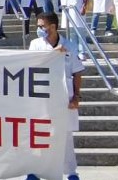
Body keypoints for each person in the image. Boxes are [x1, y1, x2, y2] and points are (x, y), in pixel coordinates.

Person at [26, 13, 84, 180]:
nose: (39, 29)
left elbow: (77, 72)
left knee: (65, 138)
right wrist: (54, 54)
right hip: (42, 97)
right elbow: (31, 65)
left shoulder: (70, 46)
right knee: (39, 135)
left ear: (52, 26)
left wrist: (76, 97)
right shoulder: (35, 44)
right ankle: (35, 172)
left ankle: (71, 173)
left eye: (41, 26)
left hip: (64, 98)